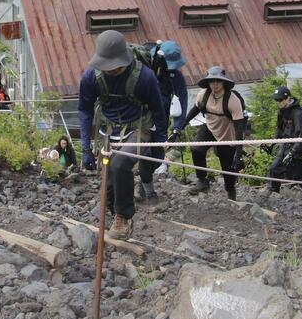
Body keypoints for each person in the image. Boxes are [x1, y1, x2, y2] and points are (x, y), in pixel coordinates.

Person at [78, 30, 167, 239]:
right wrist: (85, 148)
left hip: (138, 129)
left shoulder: (145, 76)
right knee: (108, 179)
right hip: (108, 131)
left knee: (120, 165)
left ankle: (123, 217)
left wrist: (160, 145)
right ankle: (113, 211)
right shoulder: (91, 76)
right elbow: (84, 110)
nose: (111, 71)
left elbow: (158, 109)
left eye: (115, 67)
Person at [183, 67, 245, 200]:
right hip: (210, 128)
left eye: (218, 81)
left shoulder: (233, 100)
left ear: (223, 82)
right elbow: (195, 110)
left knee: (227, 168)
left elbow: (239, 128)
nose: (215, 84)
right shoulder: (203, 95)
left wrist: (238, 153)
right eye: (212, 81)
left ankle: (230, 192)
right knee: (196, 149)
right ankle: (202, 180)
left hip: (228, 134)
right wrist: (180, 126)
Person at [140, 41, 189, 202]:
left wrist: (177, 128)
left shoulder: (175, 76)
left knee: (158, 155)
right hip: (141, 118)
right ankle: (147, 190)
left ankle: (144, 182)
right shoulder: (144, 68)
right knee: (144, 153)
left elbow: (182, 99)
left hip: (161, 120)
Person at [267, 86, 302, 206]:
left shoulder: (298, 114)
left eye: (280, 100)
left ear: (288, 99)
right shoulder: (282, 112)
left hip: (300, 149)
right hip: (286, 146)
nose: (278, 103)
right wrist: (272, 144)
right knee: (274, 169)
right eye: (276, 100)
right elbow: (280, 130)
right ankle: (273, 193)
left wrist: (293, 153)